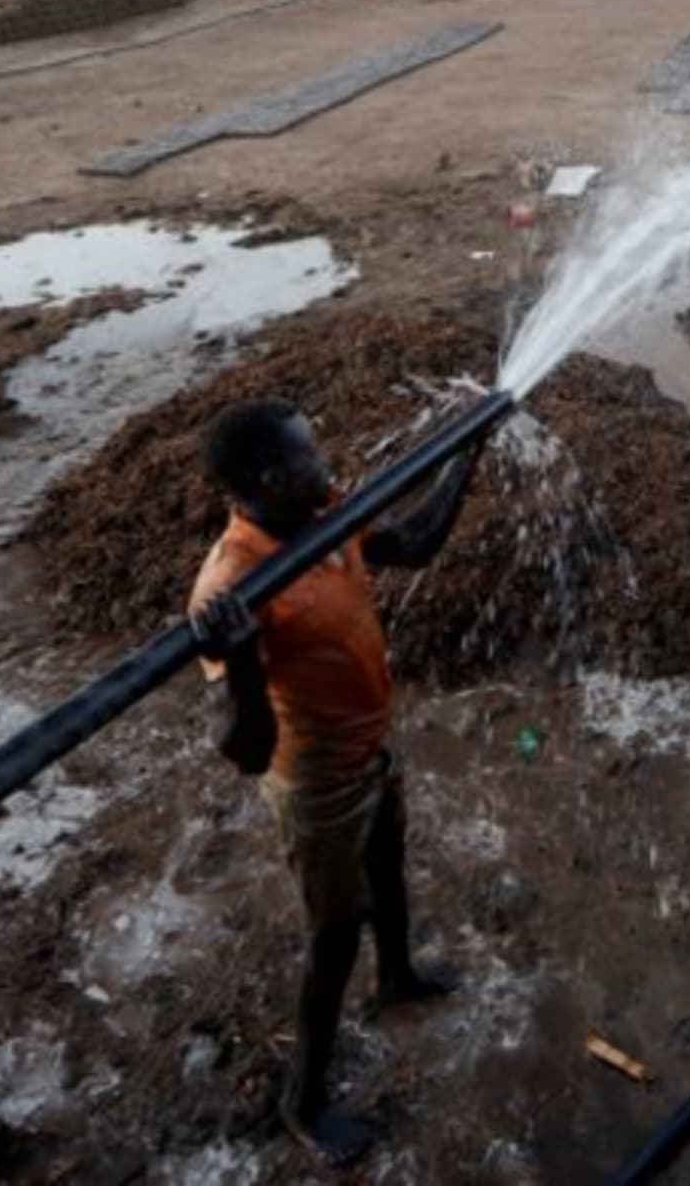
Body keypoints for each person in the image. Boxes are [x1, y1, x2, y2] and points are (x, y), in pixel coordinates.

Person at [187, 398, 487, 1166]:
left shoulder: (321, 516)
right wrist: (245, 663)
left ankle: (398, 979)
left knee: (389, 862)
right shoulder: (232, 584)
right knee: (333, 932)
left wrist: (468, 447)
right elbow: (246, 750)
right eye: (310, 456)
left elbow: (414, 542)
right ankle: (303, 1099)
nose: (329, 465)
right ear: (266, 478)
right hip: (313, 777)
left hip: (370, 745)